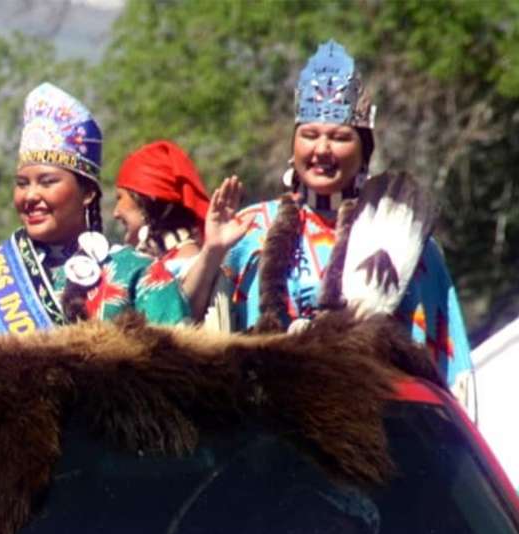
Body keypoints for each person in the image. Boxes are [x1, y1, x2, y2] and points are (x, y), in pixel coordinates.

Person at [186, 40, 473, 391]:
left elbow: (445, 369)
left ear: (364, 151)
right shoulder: (248, 231)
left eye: (339, 137)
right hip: (265, 427)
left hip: (372, 424)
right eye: (309, 135)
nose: (322, 149)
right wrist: (212, 251)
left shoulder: (403, 239)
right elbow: (180, 326)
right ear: (294, 145)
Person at [0, 83, 191, 338]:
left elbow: (176, 375)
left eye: (48, 182)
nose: (31, 195)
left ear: (87, 193)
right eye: (22, 183)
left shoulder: (136, 273)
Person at [112, 140, 216, 327]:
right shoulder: (165, 261)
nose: (116, 212)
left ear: (147, 199)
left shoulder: (187, 264)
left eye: (120, 198)